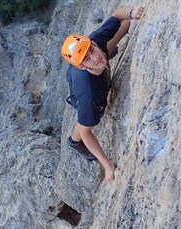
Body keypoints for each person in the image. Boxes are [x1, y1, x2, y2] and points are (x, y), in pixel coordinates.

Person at [61, 6, 144, 183]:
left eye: (91, 50)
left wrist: (131, 12)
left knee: (127, 24)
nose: (94, 57)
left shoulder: (94, 43)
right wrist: (107, 165)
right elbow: (86, 132)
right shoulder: (90, 93)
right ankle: (73, 142)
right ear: (82, 66)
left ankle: (109, 51)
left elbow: (117, 15)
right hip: (82, 88)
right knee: (87, 121)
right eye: (87, 59)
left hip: (86, 70)